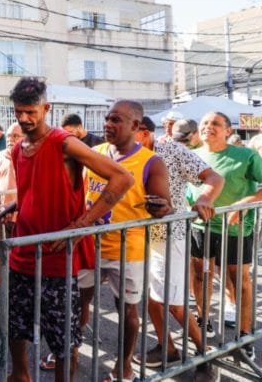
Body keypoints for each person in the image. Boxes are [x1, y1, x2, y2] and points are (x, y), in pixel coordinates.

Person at [0, 79, 133, 382]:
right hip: (22, 251)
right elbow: (33, 191)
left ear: (46, 109)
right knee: (15, 325)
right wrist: (11, 207)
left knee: (64, 338)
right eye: (18, 112)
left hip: (57, 257)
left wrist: (81, 225)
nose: (24, 118)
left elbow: (122, 178)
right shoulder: (17, 150)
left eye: (31, 112)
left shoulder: (64, 142)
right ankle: (20, 375)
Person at [76, 101, 172, 382]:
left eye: (116, 119)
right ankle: (70, 349)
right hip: (88, 244)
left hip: (128, 249)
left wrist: (161, 208)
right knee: (79, 302)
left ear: (136, 126)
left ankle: (124, 365)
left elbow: (166, 205)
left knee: (127, 309)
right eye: (107, 118)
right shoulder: (95, 154)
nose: (108, 124)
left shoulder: (151, 162)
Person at [133, 117, 223, 380]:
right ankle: (167, 348)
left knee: (175, 303)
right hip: (140, 236)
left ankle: (205, 355)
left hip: (171, 235)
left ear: (143, 132)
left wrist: (205, 199)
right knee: (151, 297)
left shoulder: (170, 149)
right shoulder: (124, 154)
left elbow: (213, 177)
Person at [190, 111, 262, 361]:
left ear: (228, 131)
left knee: (238, 281)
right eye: (204, 122)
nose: (208, 127)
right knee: (199, 275)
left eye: (215, 123)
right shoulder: (192, 155)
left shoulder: (245, 155)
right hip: (200, 227)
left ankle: (244, 336)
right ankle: (203, 320)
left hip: (235, 230)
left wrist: (244, 204)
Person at [0, 122, 22, 290]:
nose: (11, 139)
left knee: (20, 252)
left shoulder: (28, 156)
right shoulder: (1, 155)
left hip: (21, 215)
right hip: (2, 213)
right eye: (9, 136)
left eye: (15, 136)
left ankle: (17, 284)